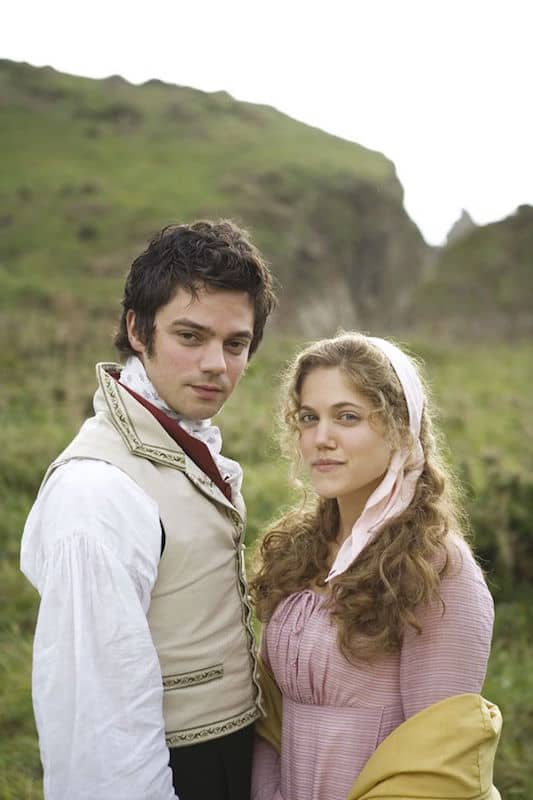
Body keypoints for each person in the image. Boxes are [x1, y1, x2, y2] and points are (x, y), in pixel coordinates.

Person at [20, 219, 277, 800]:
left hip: (230, 763)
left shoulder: (185, 448)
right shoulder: (96, 491)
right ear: (138, 330)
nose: (217, 364)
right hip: (171, 773)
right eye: (191, 336)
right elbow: (97, 729)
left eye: (235, 344)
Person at [250, 332, 498, 800]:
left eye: (347, 417)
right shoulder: (298, 552)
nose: (321, 439)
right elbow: (268, 720)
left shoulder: (438, 570)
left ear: (402, 429)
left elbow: (435, 769)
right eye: (309, 418)